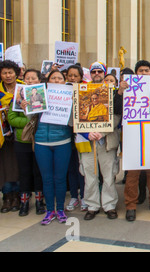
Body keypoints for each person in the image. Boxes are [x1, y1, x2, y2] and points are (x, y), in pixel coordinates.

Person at [115, 60, 150, 221]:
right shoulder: (127, 89)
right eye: (140, 70)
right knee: (132, 174)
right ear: (136, 73)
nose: (144, 73)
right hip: (133, 137)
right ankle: (130, 205)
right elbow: (117, 109)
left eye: (147, 70)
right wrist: (120, 92)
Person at [31, 70, 73, 225]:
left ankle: (60, 209)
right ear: (47, 81)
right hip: (42, 142)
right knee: (47, 179)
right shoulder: (40, 94)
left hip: (62, 141)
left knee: (60, 178)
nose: (56, 80)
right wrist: (25, 106)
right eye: (53, 78)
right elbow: (31, 117)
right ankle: (49, 210)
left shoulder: (70, 95)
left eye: (59, 78)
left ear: (64, 80)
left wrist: (72, 104)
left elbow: (73, 122)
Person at [80, 62, 121, 220]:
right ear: (90, 74)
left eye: (99, 71)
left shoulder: (112, 92)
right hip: (88, 142)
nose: (97, 73)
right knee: (90, 175)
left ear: (104, 73)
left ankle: (109, 205)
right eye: (94, 71)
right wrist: (87, 134)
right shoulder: (82, 91)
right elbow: (76, 117)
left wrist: (102, 132)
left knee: (109, 175)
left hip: (106, 141)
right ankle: (92, 205)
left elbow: (117, 116)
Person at [8, 69, 45, 216]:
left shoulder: (43, 97)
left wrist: (34, 123)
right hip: (21, 139)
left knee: (38, 171)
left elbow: (44, 119)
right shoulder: (17, 97)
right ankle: (24, 201)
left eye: (33, 78)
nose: (29, 81)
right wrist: (28, 122)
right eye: (27, 78)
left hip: (38, 139)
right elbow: (12, 118)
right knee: (24, 172)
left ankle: (39, 200)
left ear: (39, 81)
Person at [0, 60, 23, 213]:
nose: (8, 76)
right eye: (4, 73)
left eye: (10, 72)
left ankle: (19, 195)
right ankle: (7, 196)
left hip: (21, 132)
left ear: (16, 73)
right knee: (5, 165)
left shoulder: (24, 88)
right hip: (3, 135)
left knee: (20, 164)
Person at [65, 65, 87, 212]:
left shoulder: (85, 91)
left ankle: (84, 196)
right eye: (70, 75)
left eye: (75, 76)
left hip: (83, 135)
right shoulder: (62, 91)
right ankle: (74, 196)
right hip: (67, 134)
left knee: (82, 167)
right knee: (71, 167)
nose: (72, 78)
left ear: (81, 78)